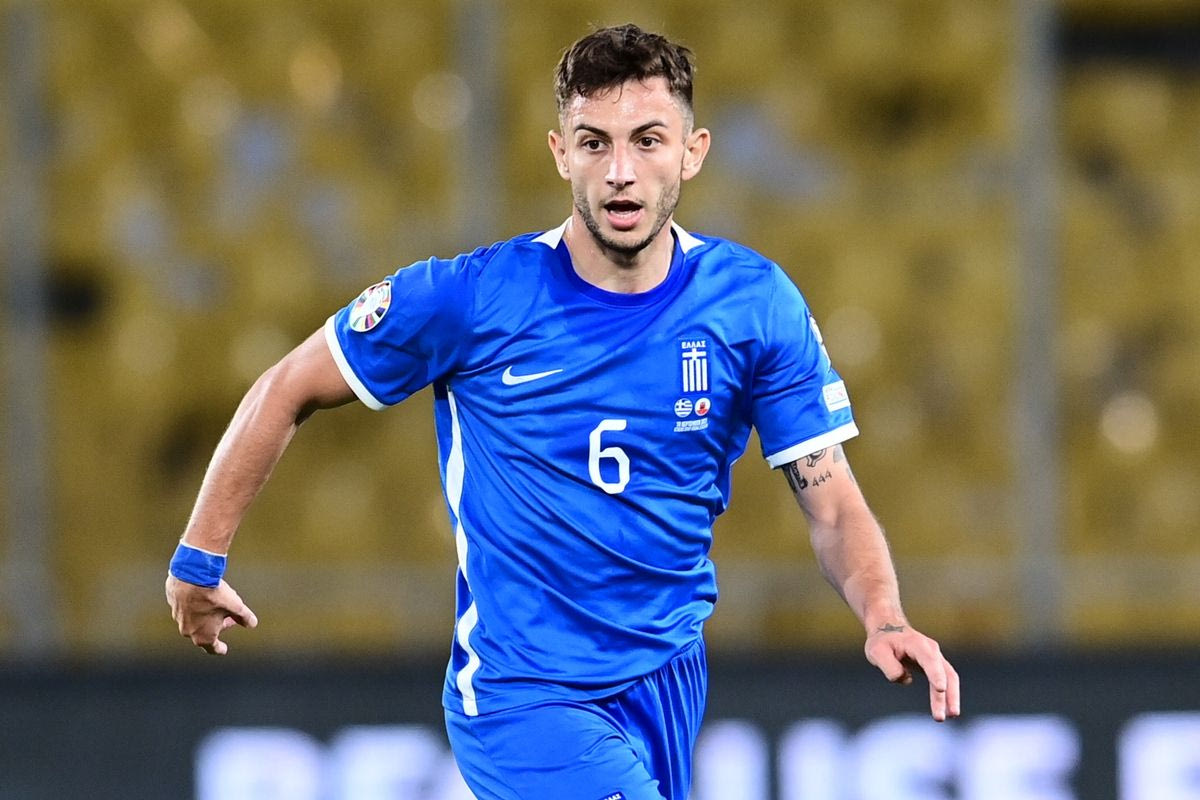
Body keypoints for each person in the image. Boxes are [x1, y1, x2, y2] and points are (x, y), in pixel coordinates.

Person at [166, 22, 960, 800]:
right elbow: (287, 385)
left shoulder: (754, 305)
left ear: (693, 151)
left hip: (666, 681)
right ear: (559, 153)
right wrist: (199, 559)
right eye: (594, 143)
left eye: (647, 141)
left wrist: (884, 616)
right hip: (522, 696)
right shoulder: (473, 298)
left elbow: (831, 503)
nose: (620, 172)